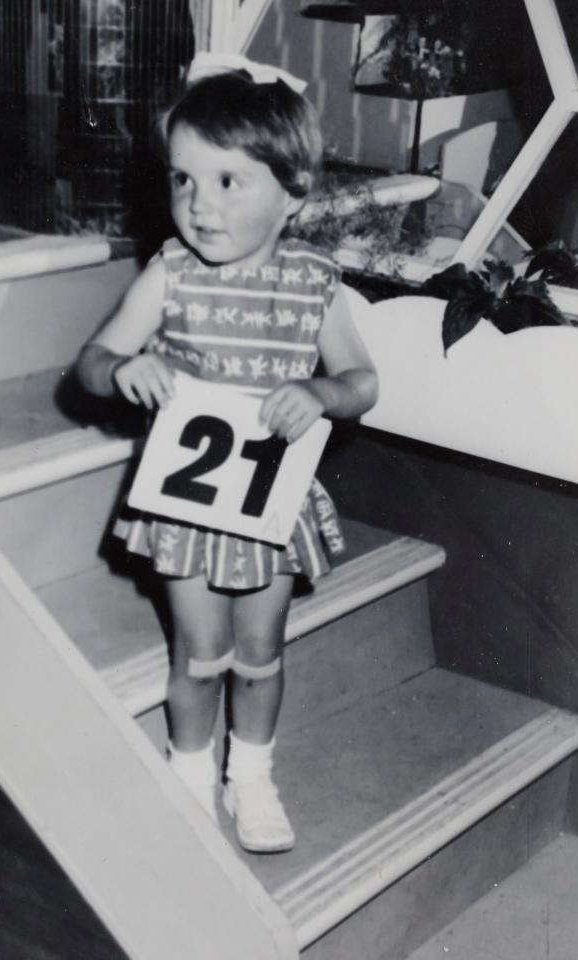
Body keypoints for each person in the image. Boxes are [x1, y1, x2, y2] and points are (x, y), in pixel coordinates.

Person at [76, 52, 378, 853]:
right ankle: (185, 772)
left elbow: (362, 380)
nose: (197, 206)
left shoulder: (315, 282)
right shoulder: (168, 275)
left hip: (271, 508)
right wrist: (123, 367)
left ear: (294, 190)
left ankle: (252, 776)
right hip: (187, 508)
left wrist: (320, 395)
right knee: (199, 655)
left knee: (259, 654)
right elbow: (91, 364)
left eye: (226, 182)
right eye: (182, 180)